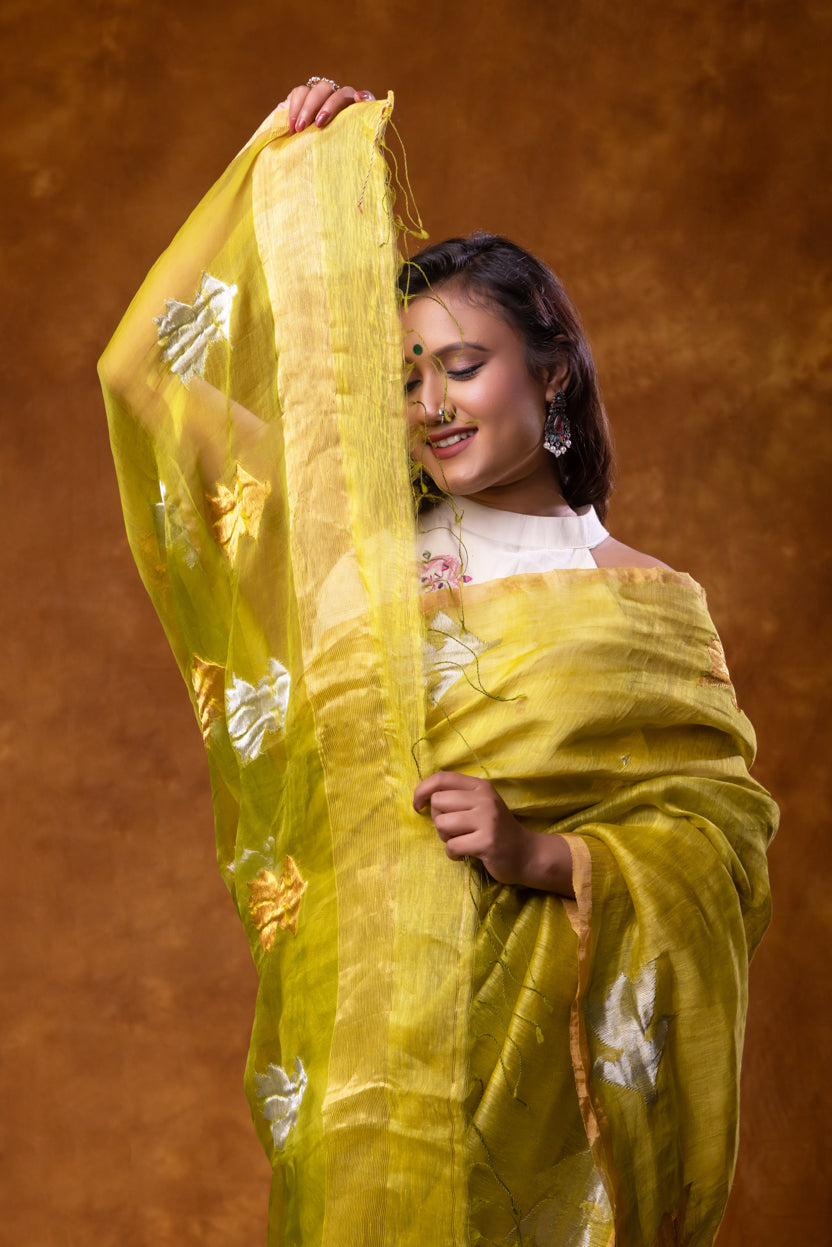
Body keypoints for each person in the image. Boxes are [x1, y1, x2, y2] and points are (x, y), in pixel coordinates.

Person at [100, 79, 777, 1247]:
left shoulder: (650, 603)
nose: (429, 404)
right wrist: (271, 159)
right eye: (406, 377)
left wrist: (547, 852)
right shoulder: (347, 550)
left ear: (551, 371)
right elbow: (143, 380)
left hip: (544, 1097)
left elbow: (720, 845)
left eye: (462, 365)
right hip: (377, 1061)